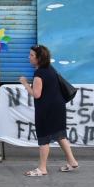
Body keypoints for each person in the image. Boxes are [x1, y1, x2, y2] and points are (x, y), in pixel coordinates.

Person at [19, 45, 79, 176]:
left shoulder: (39, 73)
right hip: (58, 107)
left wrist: (24, 83)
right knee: (60, 135)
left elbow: (36, 94)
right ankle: (72, 161)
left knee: (44, 137)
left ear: (39, 58)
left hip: (46, 109)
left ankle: (42, 168)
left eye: (31, 55)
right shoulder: (51, 69)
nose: (29, 57)